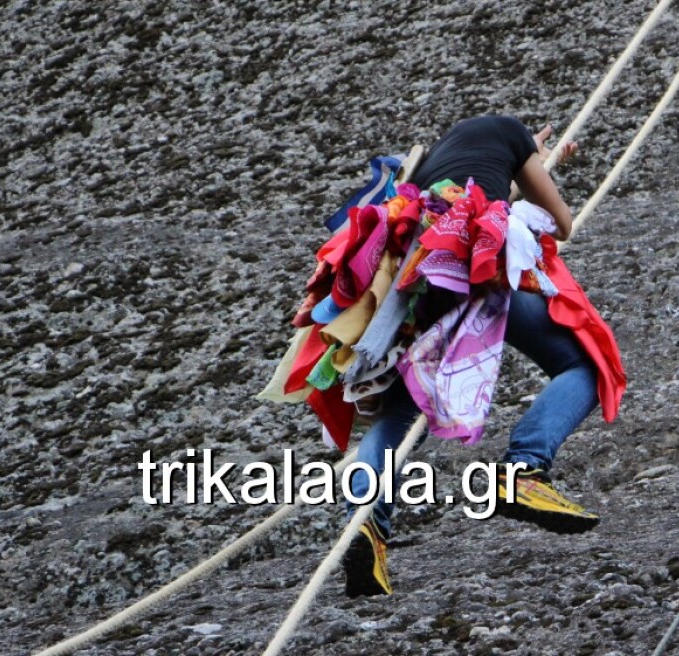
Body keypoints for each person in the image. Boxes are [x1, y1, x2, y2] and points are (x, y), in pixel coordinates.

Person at [265, 116, 625, 597]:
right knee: (583, 366)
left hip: (411, 277)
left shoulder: (434, 165)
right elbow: (562, 224)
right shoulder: (510, 132)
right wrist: (537, 167)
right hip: (471, 264)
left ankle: (366, 527)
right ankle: (524, 469)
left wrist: (532, 156)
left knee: (398, 411)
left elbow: (497, 166)